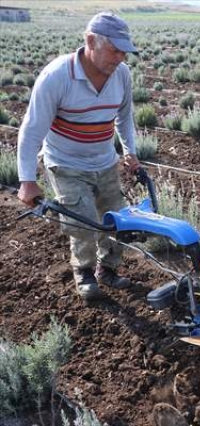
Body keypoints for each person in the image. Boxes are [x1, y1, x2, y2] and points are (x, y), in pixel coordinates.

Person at [17, 12, 140, 301]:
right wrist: (26, 180)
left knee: (115, 219)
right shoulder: (57, 76)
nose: (120, 58)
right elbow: (32, 130)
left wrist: (130, 152)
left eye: (124, 51)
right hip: (66, 163)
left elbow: (124, 118)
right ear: (90, 41)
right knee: (82, 222)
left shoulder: (121, 75)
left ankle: (108, 268)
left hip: (105, 161)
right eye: (114, 50)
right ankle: (83, 271)